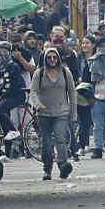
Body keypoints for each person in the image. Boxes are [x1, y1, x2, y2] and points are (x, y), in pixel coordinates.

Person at [29, 48, 77, 180]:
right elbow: (33, 91)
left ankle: (63, 165)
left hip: (61, 112)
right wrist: (37, 104)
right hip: (44, 113)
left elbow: (72, 93)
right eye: (49, 57)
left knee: (60, 138)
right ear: (44, 59)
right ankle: (47, 168)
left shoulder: (65, 72)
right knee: (46, 142)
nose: (52, 60)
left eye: (54, 57)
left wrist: (73, 113)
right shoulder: (39, 73)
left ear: (58, 59)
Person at [0, 41, 27, 150]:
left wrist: (1, 97)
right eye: (0, 51)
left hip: (16, 95)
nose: (2, 54)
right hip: (3, 96)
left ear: (9, 53)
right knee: (3, 120)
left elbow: (14, 86)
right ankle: (7, 151)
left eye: (4, 51)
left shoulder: (14, 66)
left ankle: (14, 131)